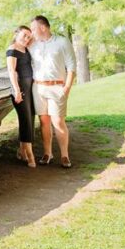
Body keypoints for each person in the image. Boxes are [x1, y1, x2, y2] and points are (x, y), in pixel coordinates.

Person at [29, 15, 76, 168]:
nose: (31, 32)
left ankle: (65, 155)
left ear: (43, 27)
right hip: (38, 87)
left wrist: (67, 88)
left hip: (57, 87)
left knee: (58, 121)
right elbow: (16, 46)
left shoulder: (62, 42)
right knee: (44, 121)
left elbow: (71, 67)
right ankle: (47, 153)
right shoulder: (32, 44)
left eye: (33, 28)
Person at [5, 25, 37, 168]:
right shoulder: (12, 49)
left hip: (30, 90)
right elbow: (12, 71)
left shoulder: (26, 48)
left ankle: (22, 151)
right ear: (16, 33)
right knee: (26, 121)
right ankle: (30, 156)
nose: (27, 38)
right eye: (24, 35)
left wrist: (33, 35)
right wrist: (17, 90)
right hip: (20, 90)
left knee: (30, 119)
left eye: (29, 36)